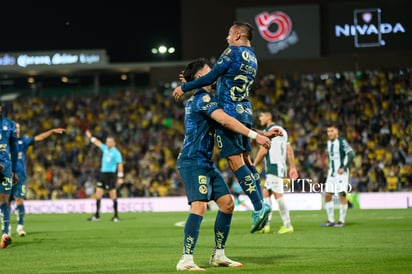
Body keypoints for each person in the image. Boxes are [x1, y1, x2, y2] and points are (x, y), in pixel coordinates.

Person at [173, 21, 277, 233]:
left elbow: (212, 77)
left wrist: (185, 86)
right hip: (246, 110)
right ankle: (261, 204)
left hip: (229, 111)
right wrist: (194, 80)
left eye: (229, 34)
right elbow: (219, 80)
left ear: (238, 36)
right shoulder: (253, 57)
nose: (227, 38)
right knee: (248, 161)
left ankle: (259, 206)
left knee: (235, 161)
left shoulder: (232, 52)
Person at [175, 58, 272, 271]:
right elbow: (227, 121)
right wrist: (256, 136)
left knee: (227, 204)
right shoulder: (202, 100)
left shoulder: (207, 97)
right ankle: (186, 259)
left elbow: (233, 121)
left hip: (206, 163)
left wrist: (261, 133)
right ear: (202, 77)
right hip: (192, 161)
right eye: (210, 71)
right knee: (199, 206)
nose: (215, 74)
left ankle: (218, 254)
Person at [9, 123, 66, 236]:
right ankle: (6, 228)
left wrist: (52, 131)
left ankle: (20, 227)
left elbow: (39, 138)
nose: (17, 131)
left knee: (19, 200)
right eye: (15, 129)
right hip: (5, 176)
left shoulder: (23, 142)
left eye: (19, 129)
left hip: (20, 177)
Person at [253, 111, 298, 234]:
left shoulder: (271, 131)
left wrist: (253, 165)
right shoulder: (282, 130)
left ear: (269, 116)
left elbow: (263, 150)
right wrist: (292, 167)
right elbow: (289, 149)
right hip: (278, 167)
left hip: (273, 167)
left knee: (278, 195)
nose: (260, 118)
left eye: (261, 115)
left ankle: (288, 225)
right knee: (266, 193)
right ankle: (266, 225)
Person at [86, 129, 124, 222]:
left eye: (109, 142)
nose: (107, 143)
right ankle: (97, 215)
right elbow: (98, 143)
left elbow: (120, 164)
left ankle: (116, 216)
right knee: (98, 194)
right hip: (103, 174)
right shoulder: (105, 148)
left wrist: (120, 177)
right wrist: (91, 137)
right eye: (107, 141)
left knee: (113, 195)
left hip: (110, 175)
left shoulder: (116, 153)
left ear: (114, 143)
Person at [321, 125, 355, 227]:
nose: (329, 133)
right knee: (327, 195)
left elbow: (351, 154)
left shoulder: (341, 141)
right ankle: (331, 220)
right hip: (331, 173)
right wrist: (329, 167)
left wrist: (344, 167)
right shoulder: (328, 143)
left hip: (341, 173)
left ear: (337, 132)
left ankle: (341, 221)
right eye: (328, 131)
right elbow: (331, 157)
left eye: (332, 131)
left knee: (342, 195)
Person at [0, 103, 18, 248]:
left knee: (4, 200)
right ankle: (5, 232)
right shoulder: (10, 124)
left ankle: (5, 233)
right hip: (5, 165)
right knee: (3, 201)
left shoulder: (10, 125)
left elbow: (15, 149)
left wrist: (14, 171)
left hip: (5, 166)